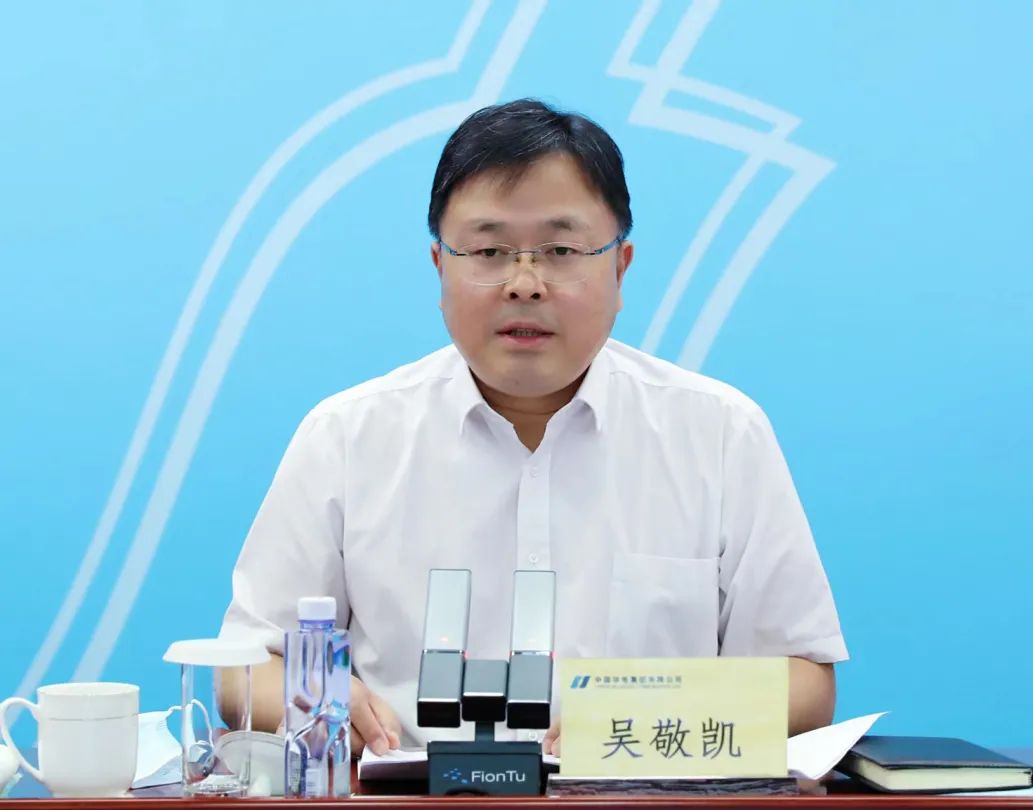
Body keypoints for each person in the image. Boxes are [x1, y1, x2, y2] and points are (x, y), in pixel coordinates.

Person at [219, 98, 847, 757]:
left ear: (620, 267)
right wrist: (314, 695)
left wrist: (655, 714)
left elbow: (804, 680)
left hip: (634, 795)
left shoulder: (719, 432)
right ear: (440, 266)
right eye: (489, 250)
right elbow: (245, 666)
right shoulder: (347, 436)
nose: (524, 283)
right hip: (415, 795)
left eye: (561, 250)